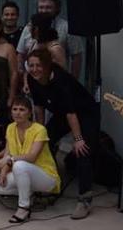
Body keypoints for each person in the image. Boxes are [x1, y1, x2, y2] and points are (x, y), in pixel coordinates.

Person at [26, 48, 97, 219]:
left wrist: (78, 139)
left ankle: (85, 198)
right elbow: (39, 108)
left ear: (47, 66)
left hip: (84, 112)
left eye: (39, 65)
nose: (34, 69)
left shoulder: (60, 81)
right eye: (31, 65)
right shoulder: (32, 79)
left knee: (83, 150)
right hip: (62, 113)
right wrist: (38, 134)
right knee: (45, 142)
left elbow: (71, 114)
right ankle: (52, 185)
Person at [0, 97, 61, 223]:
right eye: (15, 109)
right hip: (24, 172)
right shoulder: (10, 128)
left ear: (30, 113)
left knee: (19, 165)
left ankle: (24, 207)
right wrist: (3, 173)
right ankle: (30, 195)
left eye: (22, 109)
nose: (17, 112)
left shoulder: (39, 129)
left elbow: (32, 157)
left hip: (46, 176)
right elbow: (8, 153)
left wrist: (9, 159)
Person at [17, 0, 84, 78]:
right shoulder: (29, 27)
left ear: (57, 8)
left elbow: (76, 56)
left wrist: (73, 82)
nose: (44, 10)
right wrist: (23, 76)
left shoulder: (67, 28)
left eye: (48, 7)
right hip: (31, 80)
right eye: (41, 7)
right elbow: (20, 53)